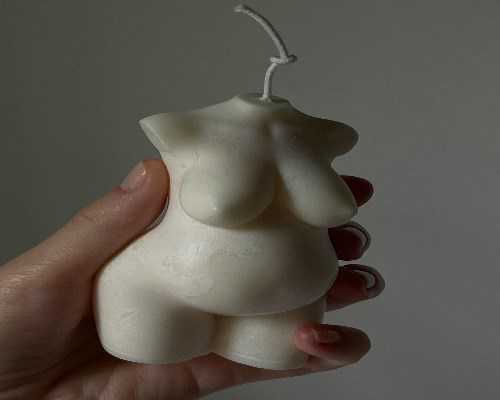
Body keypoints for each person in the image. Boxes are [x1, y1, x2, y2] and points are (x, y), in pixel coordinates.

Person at [0, 160, 384, 399]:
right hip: (155, 289)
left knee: (286, 347)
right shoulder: (193, 138)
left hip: (290, 296)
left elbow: (335, 206)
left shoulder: (311, 149)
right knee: (151, 340)